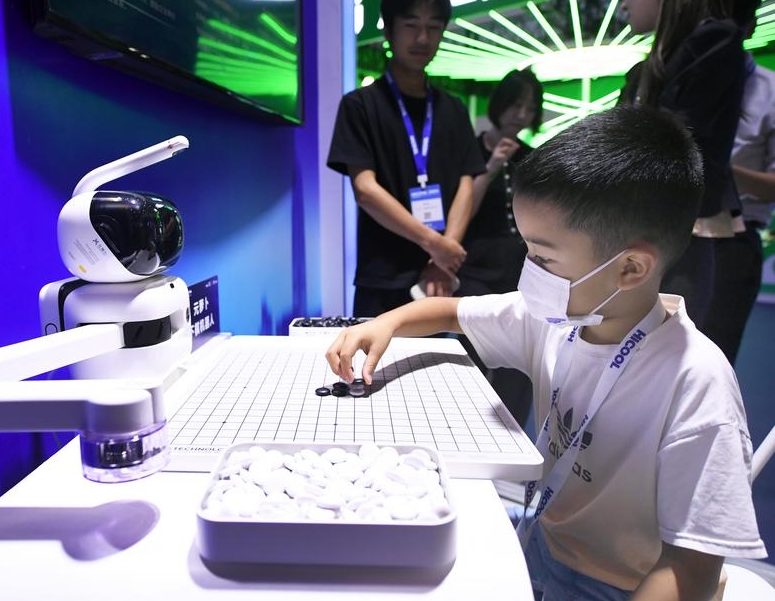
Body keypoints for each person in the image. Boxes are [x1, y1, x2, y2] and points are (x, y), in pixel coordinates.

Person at [326, 106, 766, 600]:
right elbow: (450, 312)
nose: (529, 270)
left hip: (620, 585)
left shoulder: (696, 383)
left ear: (630, 269)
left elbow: (691, 567)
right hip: (542, 543)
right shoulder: (562, 317)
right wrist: (387, 322)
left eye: (543, 257)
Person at [327, 0, 484, 317]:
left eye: (434, 26)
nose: (423, 38)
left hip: (443, 277)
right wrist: (434, 244)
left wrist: (444, 258)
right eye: (411, 24)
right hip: (383, 276)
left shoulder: (454, 109)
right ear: (389, 30)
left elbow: (466, 184)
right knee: (372, 369)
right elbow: (365, 190)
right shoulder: (360, 105)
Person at [618, 0, 745, 330]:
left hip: (677, 244)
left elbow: (674, 142)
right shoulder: (646, 69)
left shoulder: (714, 40)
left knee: (657, 368)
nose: (624, 2)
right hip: (640, 238)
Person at [457, 68, 544, 427]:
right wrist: (490, 168)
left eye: (529, 107)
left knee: (519, 362)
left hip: (521, 272)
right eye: (515, 105)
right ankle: (462, 432)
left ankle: (509, 441)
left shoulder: (532, 157)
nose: (521, 115)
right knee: (470, 356)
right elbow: (461, 211)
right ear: (499, 105)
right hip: (475, 268)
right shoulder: (471, 150)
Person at [704, 0, 775, 364]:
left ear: (747, 27)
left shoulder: (770, 90)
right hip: (674, 233)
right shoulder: (683, 80)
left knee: (711, 360)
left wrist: (719, 168)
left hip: (734, 238)